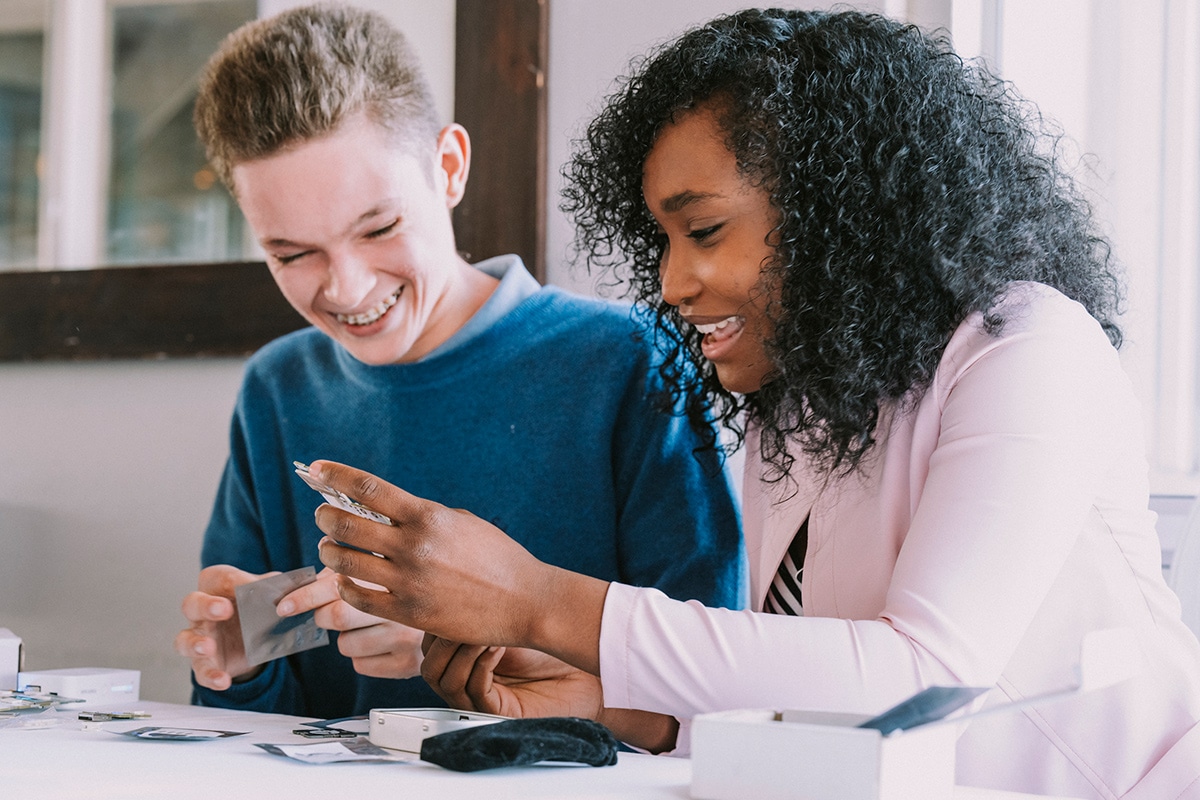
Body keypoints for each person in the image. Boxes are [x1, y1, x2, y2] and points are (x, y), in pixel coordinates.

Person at [306, 8, 1200, 798]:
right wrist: (626, 709)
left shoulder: (1029, 348)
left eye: (704, 231)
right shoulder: (803, 406)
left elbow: (922, 678)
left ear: (844, 208)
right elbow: (813, 700)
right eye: (662, 239)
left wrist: (539, 603)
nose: (672, 280)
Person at [171, 3, 745, 721]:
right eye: (291, 254)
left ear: (448, 168)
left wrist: (459, 639)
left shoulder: (634, 361)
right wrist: (239, 663)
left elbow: (713, 686)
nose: (346, 288)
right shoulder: (277, 390)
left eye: (378, 228)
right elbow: (254, 719)